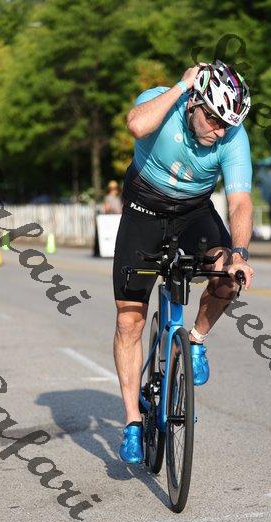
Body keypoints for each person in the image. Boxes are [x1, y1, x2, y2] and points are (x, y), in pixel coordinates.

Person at [113, 60, 254, 463]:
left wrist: (240, 254)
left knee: (228, 277)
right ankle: (133, 421)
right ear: (195, 103)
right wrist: (180, 86)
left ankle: (195, 342)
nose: (220, 131)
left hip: (193, 213)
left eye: (228, 124)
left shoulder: (233, 137)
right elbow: (136, 126)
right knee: (129, 320)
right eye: (214, 119)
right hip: (143, 210)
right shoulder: (165, 101)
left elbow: (240, 201)